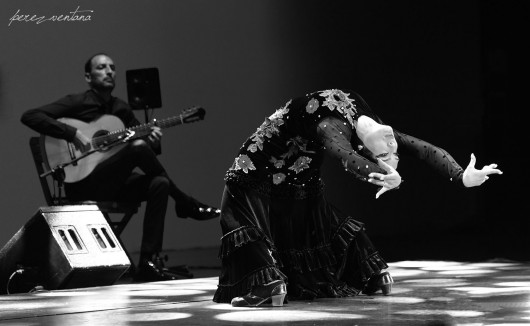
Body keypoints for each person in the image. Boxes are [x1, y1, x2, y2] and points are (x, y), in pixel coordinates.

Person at [212, 88, 502, 307]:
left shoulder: (362, 129)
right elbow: (346, 155)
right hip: (263, 159)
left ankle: (270, 286)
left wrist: (461, 175)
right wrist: (381, 170)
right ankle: (373, 275)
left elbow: (421, 149)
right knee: (272, 209)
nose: (392, 145)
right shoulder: (337, 127)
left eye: (388, 153)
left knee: (255, 211)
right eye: (387, 154)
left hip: (298, 163)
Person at [21, 53, 221, 282]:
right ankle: (186, 203)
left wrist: (152, 141)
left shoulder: (121, 109)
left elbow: (143, 150)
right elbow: (30, 116)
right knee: (136, 148)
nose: (109, 71)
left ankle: (148, 261)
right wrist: (72, 133)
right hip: (84, 184)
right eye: (102, 67)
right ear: (88, 76)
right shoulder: (77, 103)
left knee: (160, 183)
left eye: (112, 68)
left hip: (115, 185)